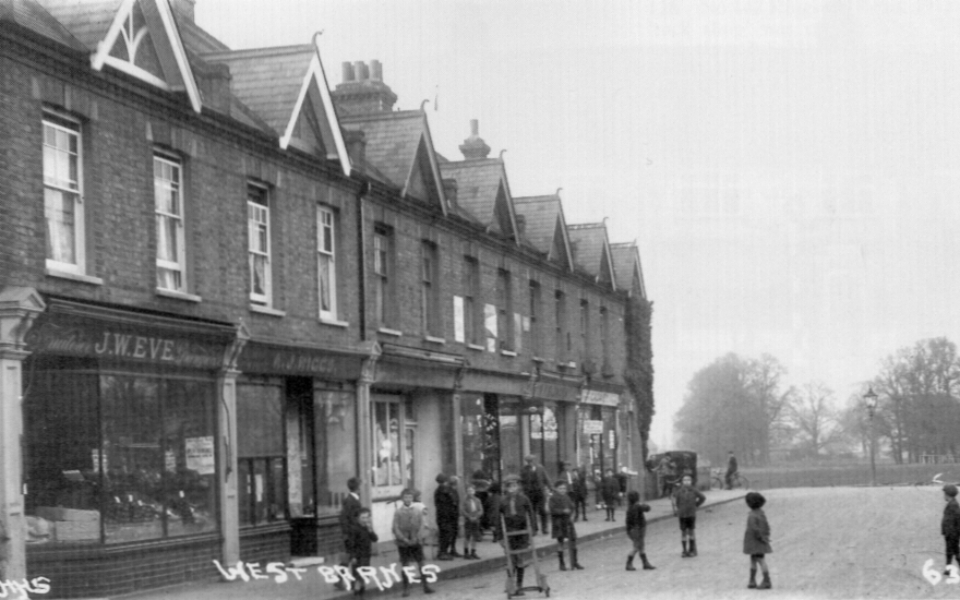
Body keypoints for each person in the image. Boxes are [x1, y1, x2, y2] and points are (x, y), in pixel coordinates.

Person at [393, 488, 436, 597]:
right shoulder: (398, 512)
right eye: (405, 497)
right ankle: (406, 588)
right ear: (402, 499)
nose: (408, 499)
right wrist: (403, 539)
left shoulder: (417, 510)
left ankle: (426, 586)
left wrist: (417, 537)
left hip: (416, 541)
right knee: (405, 565)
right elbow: (395, 527)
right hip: (403, 542)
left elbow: (422, 525)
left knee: (421, 563)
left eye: (410, 497)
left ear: (413, 498)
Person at [500, 474, 535, 595]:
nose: (512, 488)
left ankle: (519, 585)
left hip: (522, 532)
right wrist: (499, 536)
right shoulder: (503, 501)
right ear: (506, 488)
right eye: (509, 486)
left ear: (518, 487)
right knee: (510, 560)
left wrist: (533, 529)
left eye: (514, 485)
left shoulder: (524, 499)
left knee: (520, 559)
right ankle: (511, 584)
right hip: (509, 533)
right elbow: (497, 519)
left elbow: (530, 513)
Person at [549, 479, 584, 570]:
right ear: (556, 489)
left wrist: (572, 514)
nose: (563, 490)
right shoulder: (553, 498)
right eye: (560, 488)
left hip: (568, 522)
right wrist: (562, 511)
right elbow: (552, 510)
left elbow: (572, 507)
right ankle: (562, 564)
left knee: (573, 541)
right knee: (560, 543)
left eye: (564, 488)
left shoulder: (567, 497)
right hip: (559, 523)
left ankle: (575, 562)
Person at [336, 477, 363, 590]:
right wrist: (347, 534)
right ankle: (351, 581)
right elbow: (345, 518)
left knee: (349, 557)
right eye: (360, 485)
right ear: (358, 487)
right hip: (352, 534)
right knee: (352, 557)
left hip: (353, 533)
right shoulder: (351, 501)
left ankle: (341, 579)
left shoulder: (352, 499)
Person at [345, 507, 378, 597]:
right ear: (358, 518)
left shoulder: (368, 527)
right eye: (363, 518)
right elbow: (351, 544)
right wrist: (353, 556)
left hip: (366, 555)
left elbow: (375, 539)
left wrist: (370, 531)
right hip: (358, 555)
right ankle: (356, 593)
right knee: (358, 576)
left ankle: (362, 593)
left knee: (364, 575)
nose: (365, 520)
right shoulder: (354, 529)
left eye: (367, 517)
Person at [743, 491, 772, 589]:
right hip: (760, 541)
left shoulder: (752, 516)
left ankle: (765, 580)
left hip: (754, 542)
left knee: (757, 560)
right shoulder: (762, 514)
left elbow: (754, 528)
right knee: (757, 559)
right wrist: (765, 536)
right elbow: (767, 527)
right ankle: (753, 580)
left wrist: (760, 537)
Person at [673, 474, 706, 557]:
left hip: (691, 514)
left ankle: (691, 549)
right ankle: (684, 550)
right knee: (683, 532)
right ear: (682, 482)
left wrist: (696, 505)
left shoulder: (694, 490)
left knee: (691, 531)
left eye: (688, 480)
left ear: (691, 482)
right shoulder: (679, 491)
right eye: (684, 480)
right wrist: (679, 509)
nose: (686, 482)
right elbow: (676, 501)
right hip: (682, 515)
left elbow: (702, 497)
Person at [521, 454, 552, 535]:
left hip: (540, 492)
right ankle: (534, 529)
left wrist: (551, 488)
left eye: (532, 461)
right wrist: (524, 490)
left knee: (543, 511)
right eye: (529, 461)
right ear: (527, 462)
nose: (530, 463)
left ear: (535, 461)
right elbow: (522, 482)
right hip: (530, 493)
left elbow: (546, 478)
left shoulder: (540, 468)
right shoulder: (524, 470)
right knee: (532, 511)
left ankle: (544, 528)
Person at [624, 490, 655, 571]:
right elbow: (648, 508)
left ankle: (645, 563)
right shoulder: (637, 506)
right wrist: (643, 504)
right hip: (638, 529)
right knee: (637, 546)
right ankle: (629, 563)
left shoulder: (630, 507)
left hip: (632, 529)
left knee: (640, 546)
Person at [433, 473, 459, 560]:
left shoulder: (446, 490)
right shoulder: (441, 491)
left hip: (448, 516)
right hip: (444, 517)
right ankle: (442, 552)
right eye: (444, 482)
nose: (446, 484)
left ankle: (446, 551)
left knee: (449, 534)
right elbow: (445, 505)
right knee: (445, 534)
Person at [461, 484, 484, 559]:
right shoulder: (465, 501)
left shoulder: (477, 500)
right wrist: (468, 516)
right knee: (467, 536)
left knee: (474, 536)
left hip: (476, 520)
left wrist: (476, 516)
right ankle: (466, 552)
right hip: (468, 520)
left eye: (471, 490)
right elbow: (463, 510)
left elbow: (480, 510)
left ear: (474, 491)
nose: (470, 492)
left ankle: (473, 551)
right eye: (468, 491)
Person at [943, 484, 960, 575]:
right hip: (950, 533)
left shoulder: (953, 505)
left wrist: (952, 533)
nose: (944, 495)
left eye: (945, 493)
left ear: (948, 494)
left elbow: (956, 520)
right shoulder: (952, 504)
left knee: (956, 553)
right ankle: (948, 569)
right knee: (950, 552)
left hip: (952, 534)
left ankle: (948, 569)